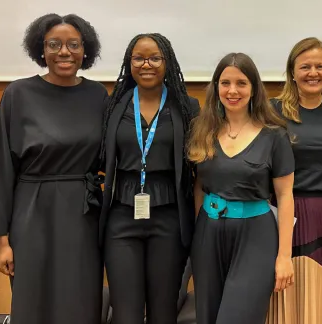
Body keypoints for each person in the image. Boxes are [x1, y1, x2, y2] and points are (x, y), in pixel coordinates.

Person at [0, 13, 107, 324]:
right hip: (31, 214)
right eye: (54, 44)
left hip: (83, 218)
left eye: (73, 45)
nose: (64, 52)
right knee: (32, 301)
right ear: (41, 50)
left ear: (85, 51)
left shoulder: (98, 96)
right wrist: (1, 242)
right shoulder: (18, 94)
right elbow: (0, 168)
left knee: (80, 301)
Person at [99, 33, 200, 324]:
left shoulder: (186, 107)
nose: (147, 64)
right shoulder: (114, 105)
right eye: (139, 58)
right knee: (125, 313)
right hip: (120, 216)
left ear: (167, 62)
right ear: (129, 63)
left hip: (169, 217)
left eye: (155, 58)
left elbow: (199, 169)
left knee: (163, 311)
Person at [187, 52, 295, 324]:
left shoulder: (275, 135)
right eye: (225, 83)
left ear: (254, 88)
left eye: (241, 83)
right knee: (207, 317)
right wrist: (201, 228)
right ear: (216, 87)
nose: (232, 90)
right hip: (208, 235)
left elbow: (285, 196)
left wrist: (284, 257)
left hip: (256, 237)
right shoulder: (201, 130)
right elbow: (199, 185)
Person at [270, 37, 322, 323]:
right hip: (283, 214)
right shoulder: (273, 111)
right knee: (285, 297)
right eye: (305, 66)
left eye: (320, 66)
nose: (313, 73)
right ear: (292, 72)